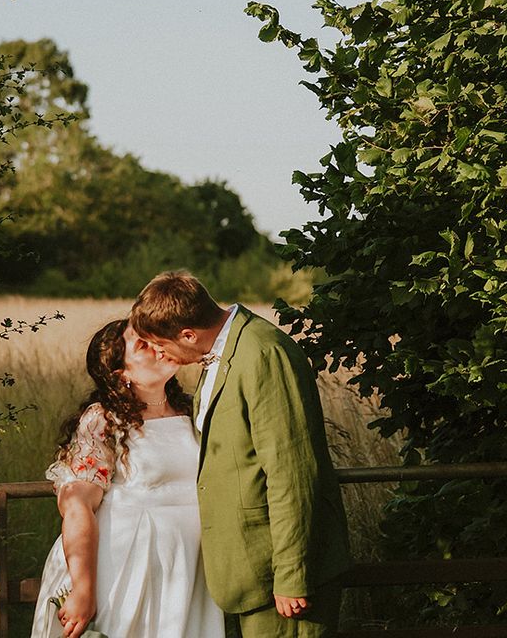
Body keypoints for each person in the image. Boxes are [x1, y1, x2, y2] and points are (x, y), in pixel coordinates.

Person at [131, 271, 351, 638]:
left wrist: (292, 576)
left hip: (281, 579)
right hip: (250, 571)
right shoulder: (218, 353)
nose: (158, 354)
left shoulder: (263, 352)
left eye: (159, 343)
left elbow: (292, 472)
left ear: (188, 334)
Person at [30, 317, 226, 638]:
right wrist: (83, 588)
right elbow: (77, 505)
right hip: (126, 566)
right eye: (142, 345)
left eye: (156, 338)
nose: (157, 347)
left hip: (187, 568)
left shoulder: (192, 410)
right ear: (122, 374)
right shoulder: (104, 420)